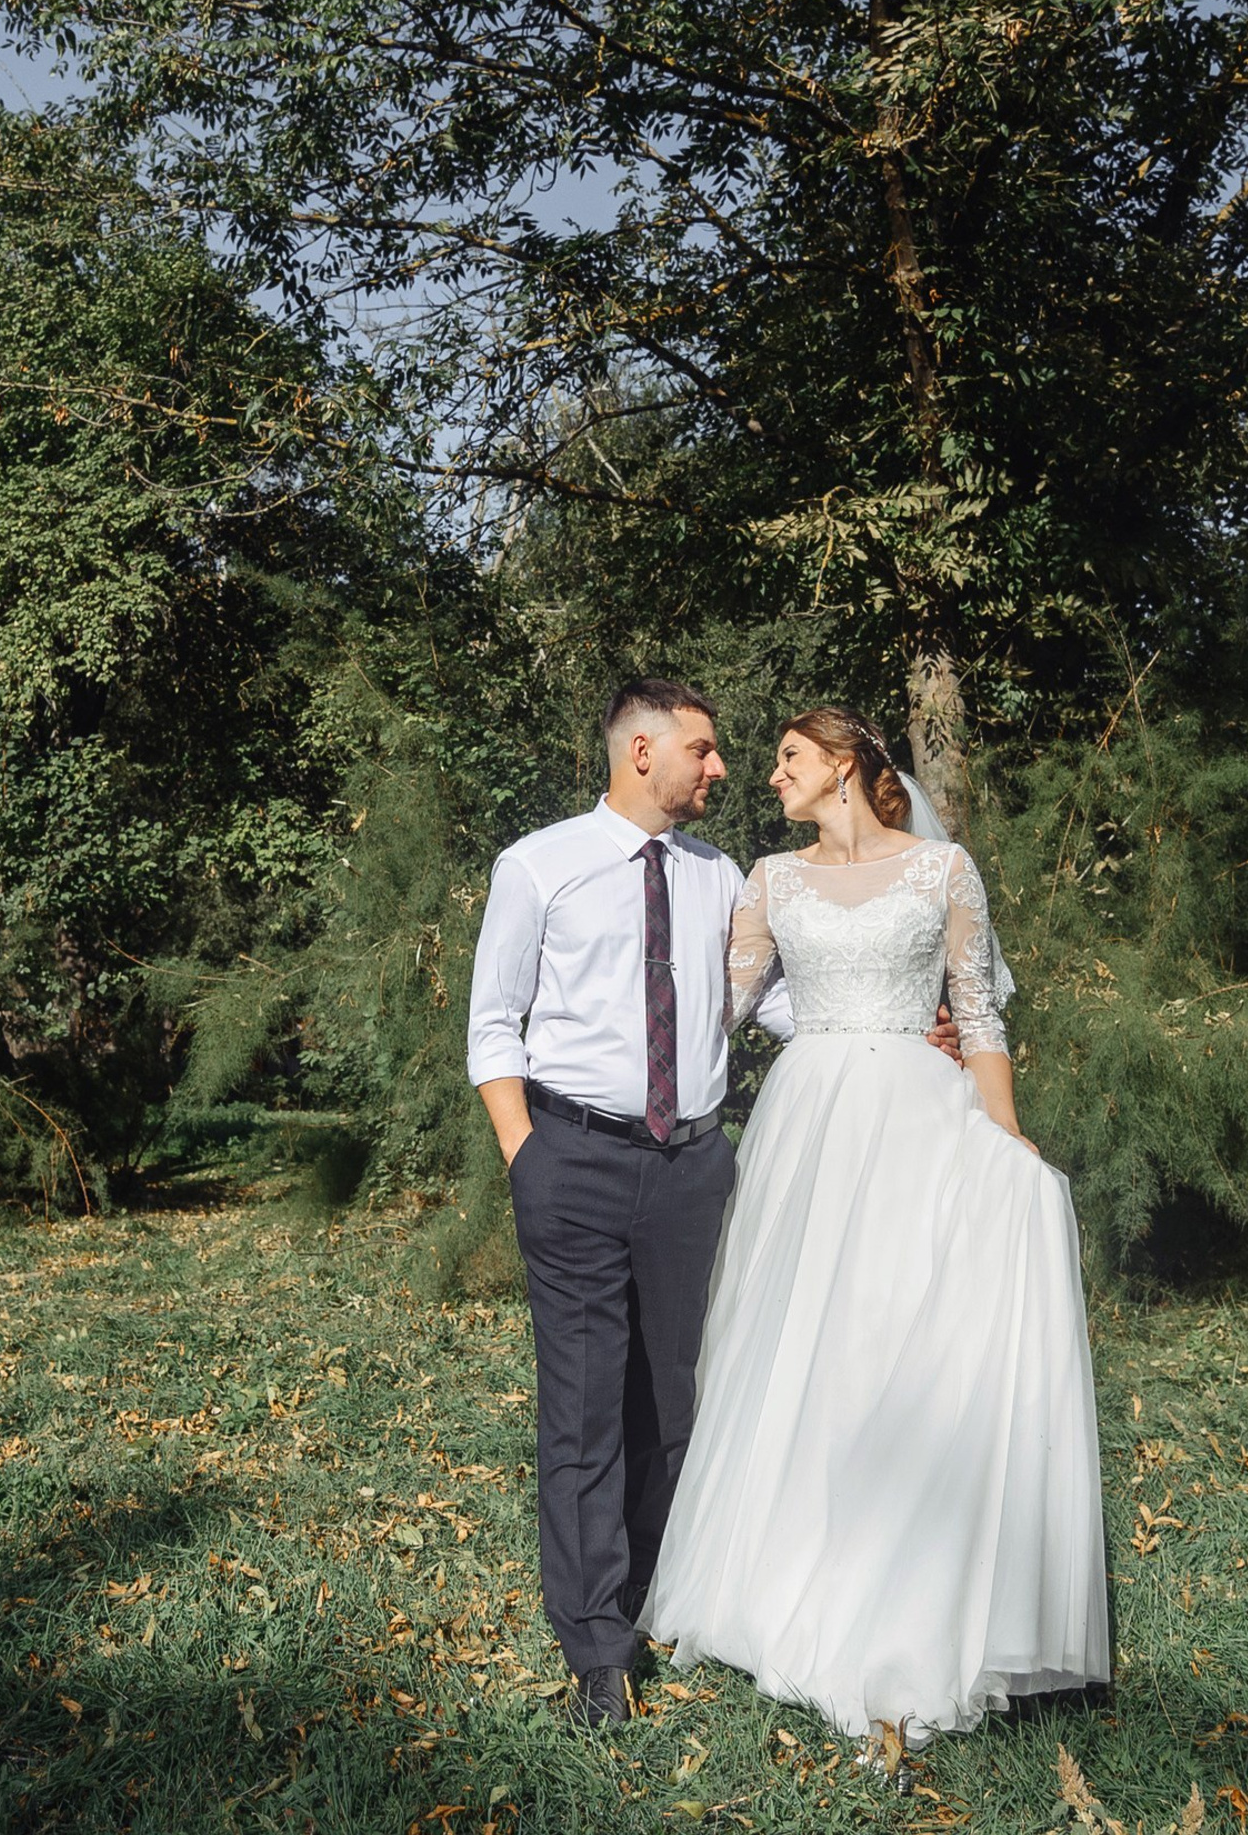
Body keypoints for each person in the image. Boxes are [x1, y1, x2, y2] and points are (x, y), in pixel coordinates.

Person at [642, 706, 1110, 1748]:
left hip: (912, 1109)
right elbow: (720, 1008)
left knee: (889, 1334)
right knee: (795, 1339)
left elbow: (978, 1013)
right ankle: (766, 1581)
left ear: (844, 767)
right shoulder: (770, 879)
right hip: (805, 1124)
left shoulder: (943, 873)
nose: (770, 775)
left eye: (789, 759)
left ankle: (895, 1575)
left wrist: (1008, 1138)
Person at [466, 679, 782, 1730]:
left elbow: (769, 998)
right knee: (587, 1407)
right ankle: (597, 1650)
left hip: (694, 1167)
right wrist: (528, 1159)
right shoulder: (538, 865)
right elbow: (491, 1029)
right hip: (575, 1161)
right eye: (705, 748)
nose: (721, 767)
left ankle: (665, 1598)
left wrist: (891, 1021)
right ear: (640, 751)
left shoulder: (719, 873)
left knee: (679, 1402)